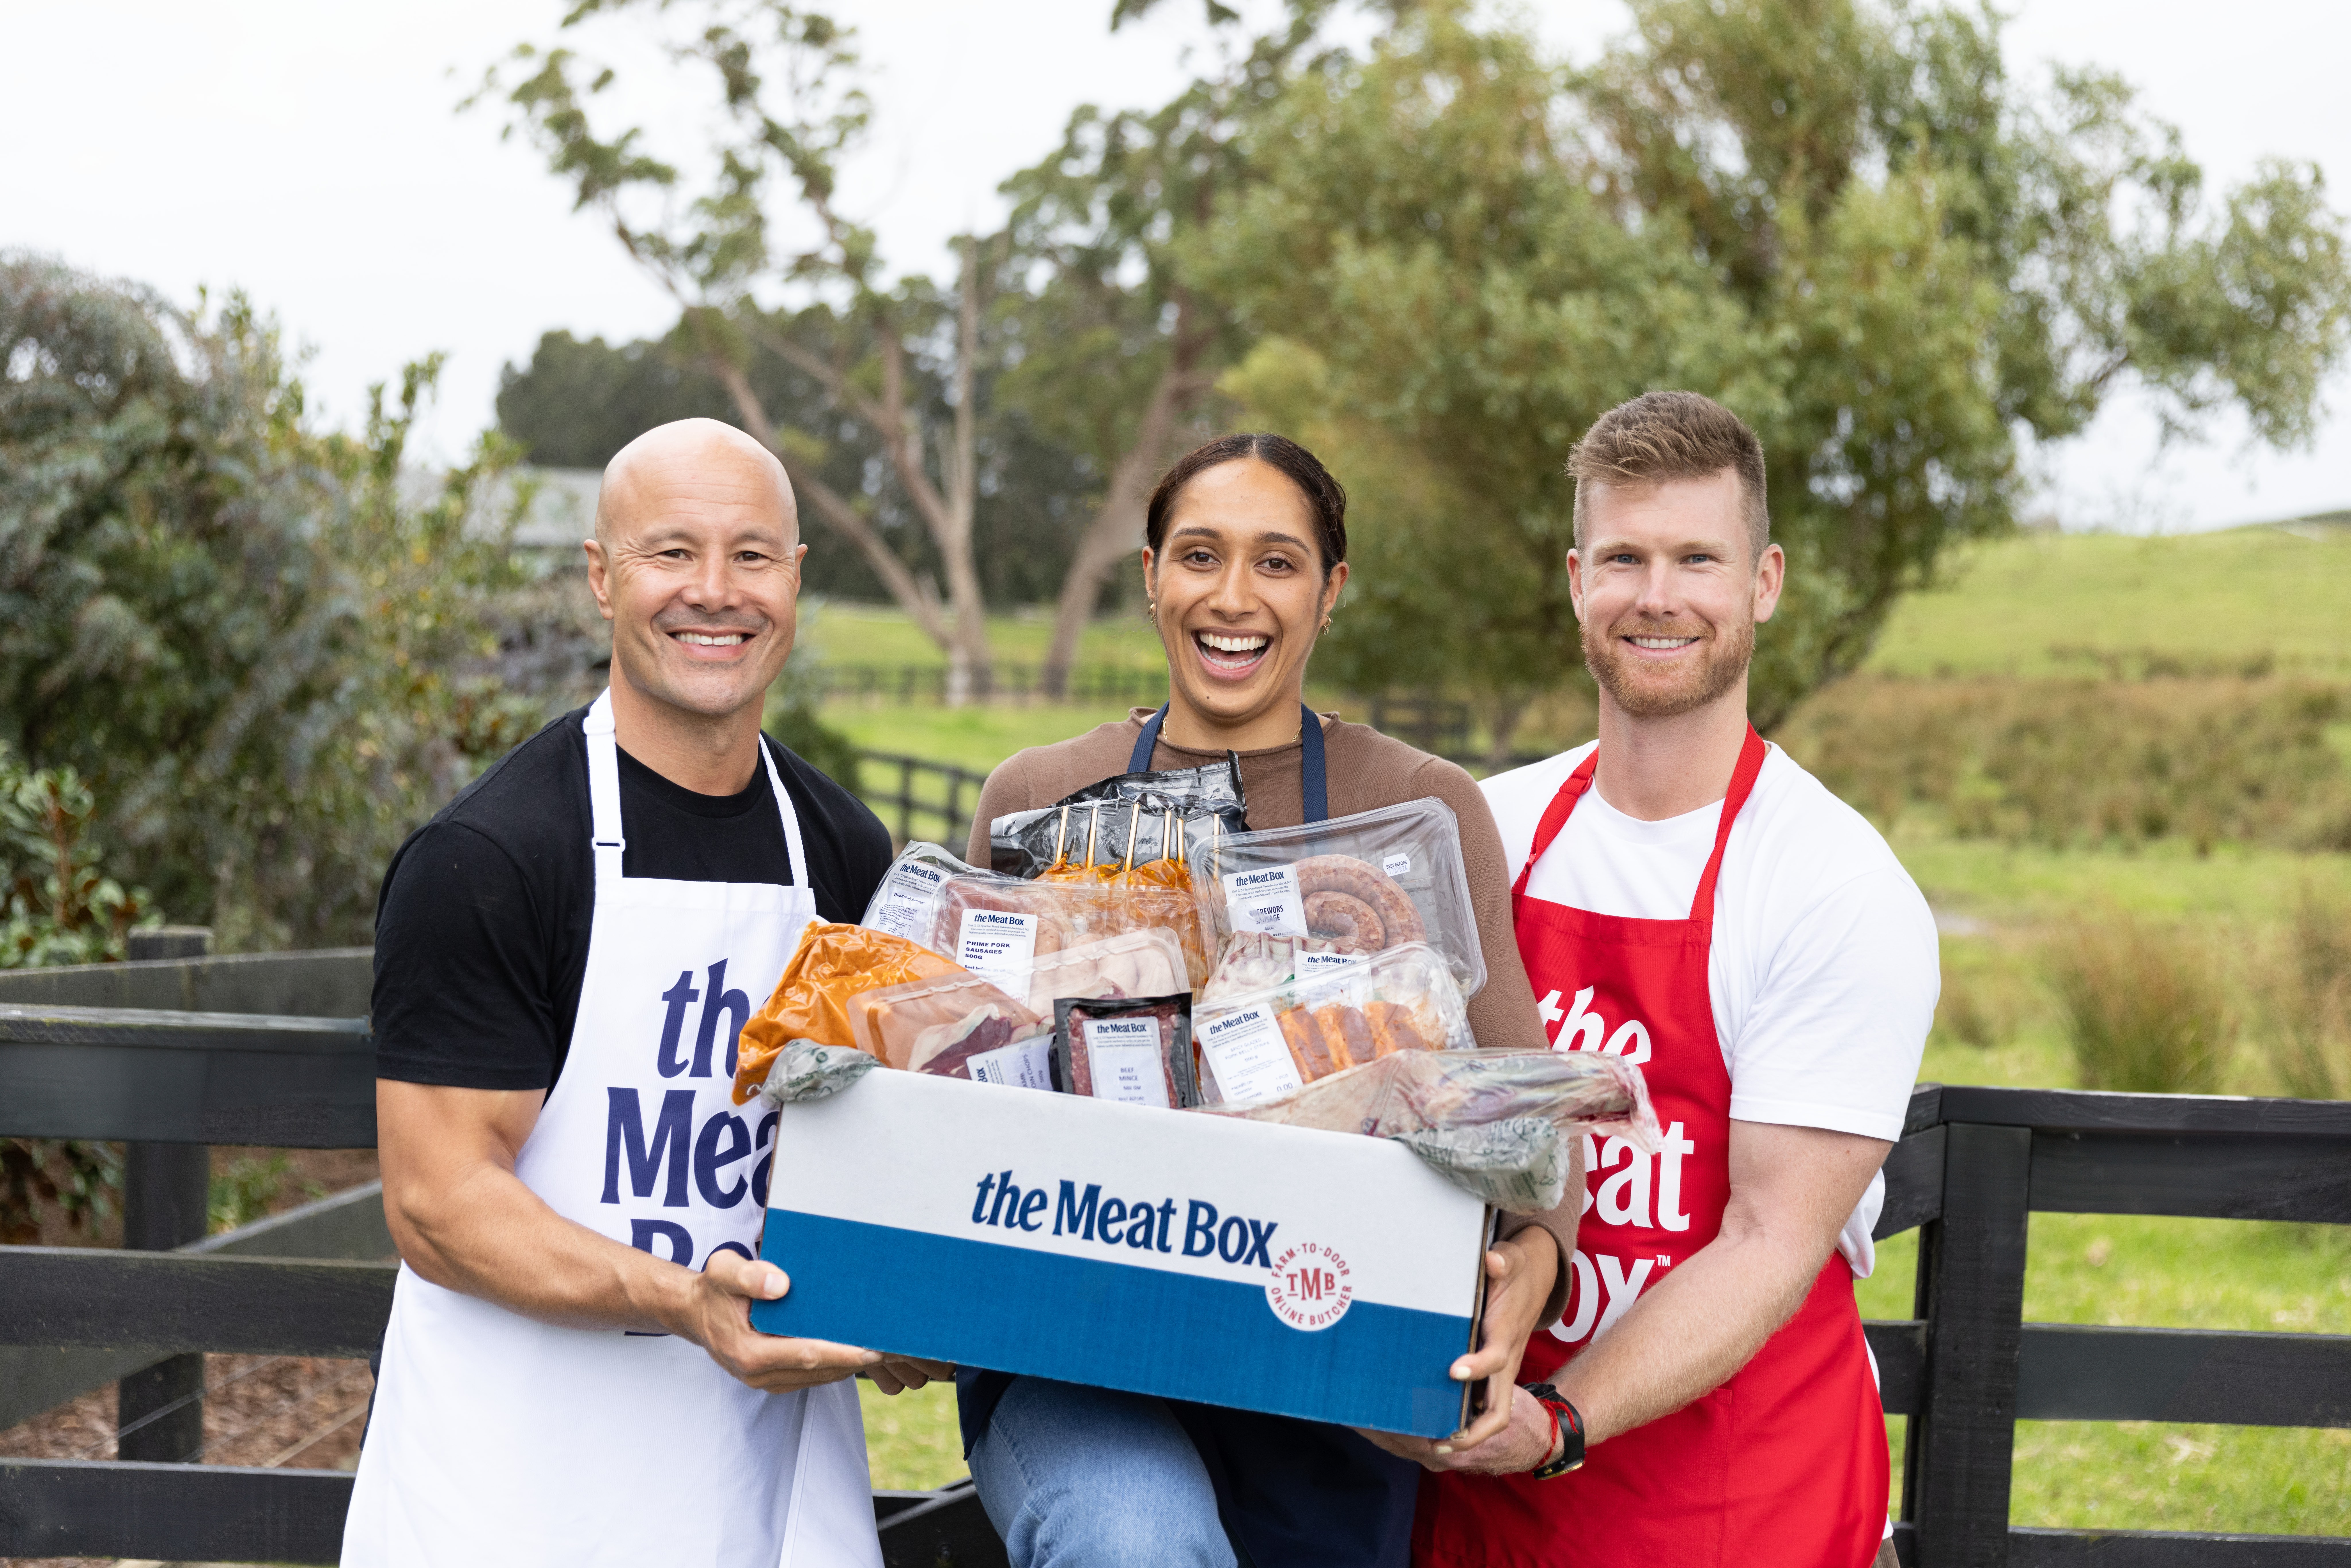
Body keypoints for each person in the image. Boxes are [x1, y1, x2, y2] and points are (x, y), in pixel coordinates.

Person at [957, 432, 1580, 1568]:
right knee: (1131, 1540)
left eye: (1276, 562)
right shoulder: (1036, 797)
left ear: (1330, 591)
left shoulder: (1416, 808)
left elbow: (1523, 1115)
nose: (1230, 597)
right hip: (1073, 1352)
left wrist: (1529, 1264)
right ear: (1149, 574)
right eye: (1198, 554)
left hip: (1321, 1356)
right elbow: (954, 1087)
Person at [344, 419, 941, 1567]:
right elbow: (437, 1200)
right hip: (517, 1482)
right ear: (600, 576)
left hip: (760, 1471)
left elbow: (888, 1135)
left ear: (797, 578)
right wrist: (683, 1300)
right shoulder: (490, 856)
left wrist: (914, 1302)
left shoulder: (841, 850)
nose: (714, 593)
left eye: (752, 555)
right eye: (672, 552)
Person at [1402, 391, 1935, 1567]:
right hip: (1484, 1510)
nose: (1656, 595)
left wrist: (1557, 1422)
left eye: (1697, 557)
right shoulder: (1486, 829)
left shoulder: (1829, 883)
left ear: (1763, 581)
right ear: (1574, 578)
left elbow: (1764, 1238)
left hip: (1738, 1512)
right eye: (1623, 557)